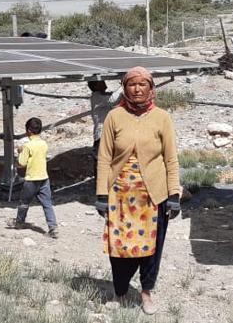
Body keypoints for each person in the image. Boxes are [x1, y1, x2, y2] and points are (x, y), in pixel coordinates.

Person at [95, 66, 181, 315]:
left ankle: (146, 293)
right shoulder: (114, 116)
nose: (137, 88)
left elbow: (171, 159)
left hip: (153, 196)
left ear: (151, 88)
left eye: (143, 84)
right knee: (120, 249)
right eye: (132, 84)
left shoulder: (162, 117)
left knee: (151, 249)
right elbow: (104, 158)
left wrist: (173, 194)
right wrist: (101, 194)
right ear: (125, 88)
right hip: (119, 196)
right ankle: (120, 291)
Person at [8, 117, 59, 238]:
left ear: (29, 131)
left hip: (31, 179)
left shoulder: (27, 146)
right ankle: (53, 228)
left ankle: (20, 222)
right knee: (47, 204)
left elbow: (22, 163)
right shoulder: (44, 144)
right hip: (44, 178)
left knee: (24, 202)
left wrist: (20, 152)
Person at [88, 81, 122, 154]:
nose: (104, 82)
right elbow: (113, 99)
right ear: (95, 86)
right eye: (101, 82)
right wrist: (123, 86)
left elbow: (115, 97)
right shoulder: (97, 97)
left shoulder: (101, 96)